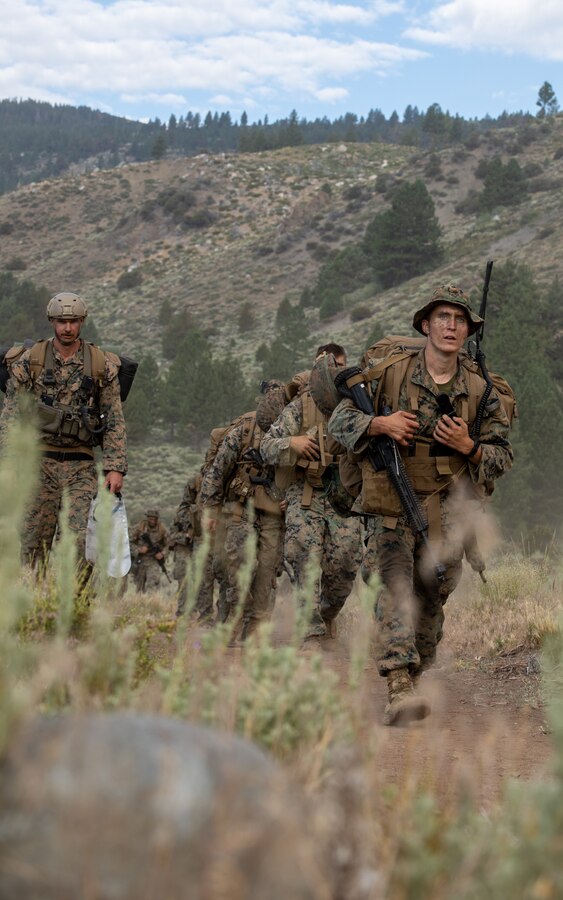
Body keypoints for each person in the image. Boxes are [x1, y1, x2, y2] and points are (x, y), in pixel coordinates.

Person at [328, 285, 513, 725]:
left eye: (459, 319)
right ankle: (397, 687)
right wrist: (379, 423)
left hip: (447, 509)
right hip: (391, 500)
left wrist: (470, 447)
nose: (451, 326)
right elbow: (339, 420)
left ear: (468, 330)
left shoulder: (481, 390)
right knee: (395, 589)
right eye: (443, 317)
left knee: (432, 600)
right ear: (426, 325)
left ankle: (413, 668)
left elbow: (502, 456)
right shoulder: (390, 372)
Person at [0, 292, 127, 581]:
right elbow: (11, 415)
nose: (67, 328)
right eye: (61, 321)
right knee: (33, 541)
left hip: (80, 465)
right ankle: (32, 606)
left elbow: (114, 419)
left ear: (82, 322)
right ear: (51, 322)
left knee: (80, 542)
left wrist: (115, 466)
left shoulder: (100, 365)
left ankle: (74, 610)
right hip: (38, 464)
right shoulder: (31, 361)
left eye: (72, 321)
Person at [260, 344, 362, 641]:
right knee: (304, 561)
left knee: (344, 565)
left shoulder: (356, 403)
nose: (335, 369)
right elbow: (266, 446)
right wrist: (293, 444)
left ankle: (325, 615)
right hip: (306, 493)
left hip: (344, 495)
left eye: (340, 364)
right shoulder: (301, 407)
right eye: (328, 363)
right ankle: (311, 633)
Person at [199, 409, 284, 641]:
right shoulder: (242, 433)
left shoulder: (291, 430)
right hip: (240, 508)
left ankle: (256, 626)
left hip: (274, 515)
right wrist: (210, 510)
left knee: (267, 570)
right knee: (237, 564)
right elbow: (217, 471)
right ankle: (235, 616)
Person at [131, 509, 169, 593]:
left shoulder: (162, 529)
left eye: (154, 519)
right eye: (150, 518)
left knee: (153, 585)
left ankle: (152, 603)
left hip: (153, 561)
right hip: (140, 560)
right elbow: (129, 542)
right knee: (139, 587)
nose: (152, 521)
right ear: (147, 518)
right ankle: (138, 604)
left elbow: (168, 544)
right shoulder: (139, 527)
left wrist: (162, 554)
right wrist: (138, 550)